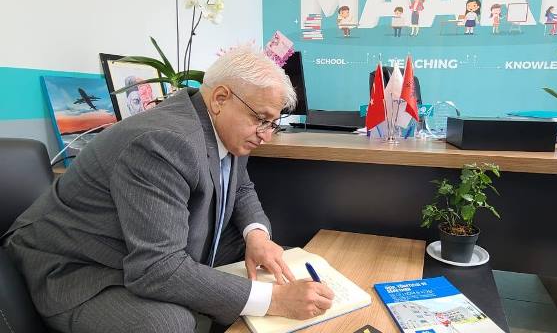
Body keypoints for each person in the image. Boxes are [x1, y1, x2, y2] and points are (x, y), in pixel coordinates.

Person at [1, 45, 335, 333]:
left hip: (142, 246)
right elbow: (156, 268)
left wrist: (257, 236)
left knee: (268, 260)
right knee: (169, 323)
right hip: (75, 265)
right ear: (220, 98)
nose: (266, 135)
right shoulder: (162, 143)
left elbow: (240, 187)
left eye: (272, 123)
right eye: (261, 120)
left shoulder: (227, 128)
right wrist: (274, 300)